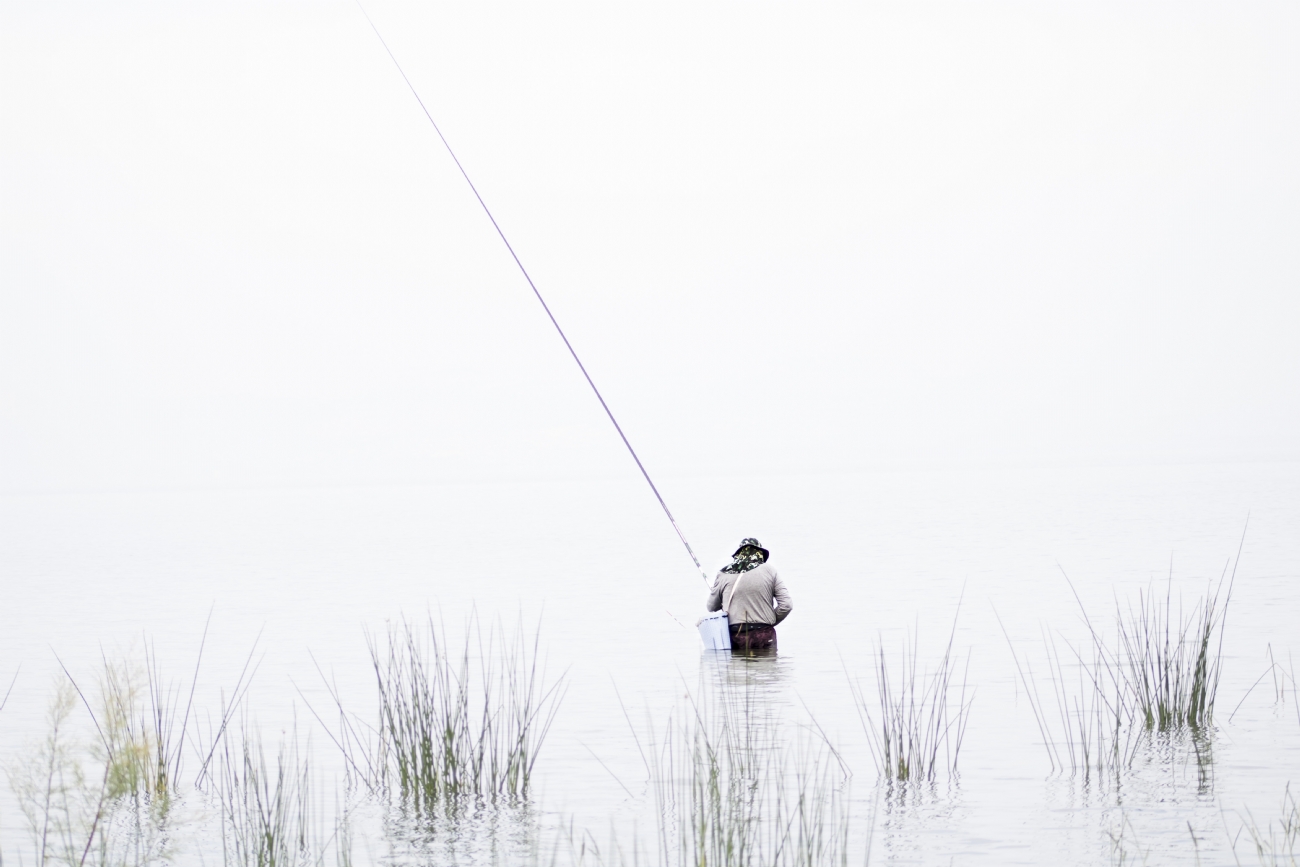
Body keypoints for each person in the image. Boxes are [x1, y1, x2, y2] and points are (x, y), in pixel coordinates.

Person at [705, 537, 793, 652]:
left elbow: (711, 607)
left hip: (736, 636)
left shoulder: (723, 573)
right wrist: (768, 621)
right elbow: (787, 605)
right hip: (764, 634)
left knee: (739, 670)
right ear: (760, 554)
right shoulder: (770, 570)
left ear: (739, 554)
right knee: (767, 669)